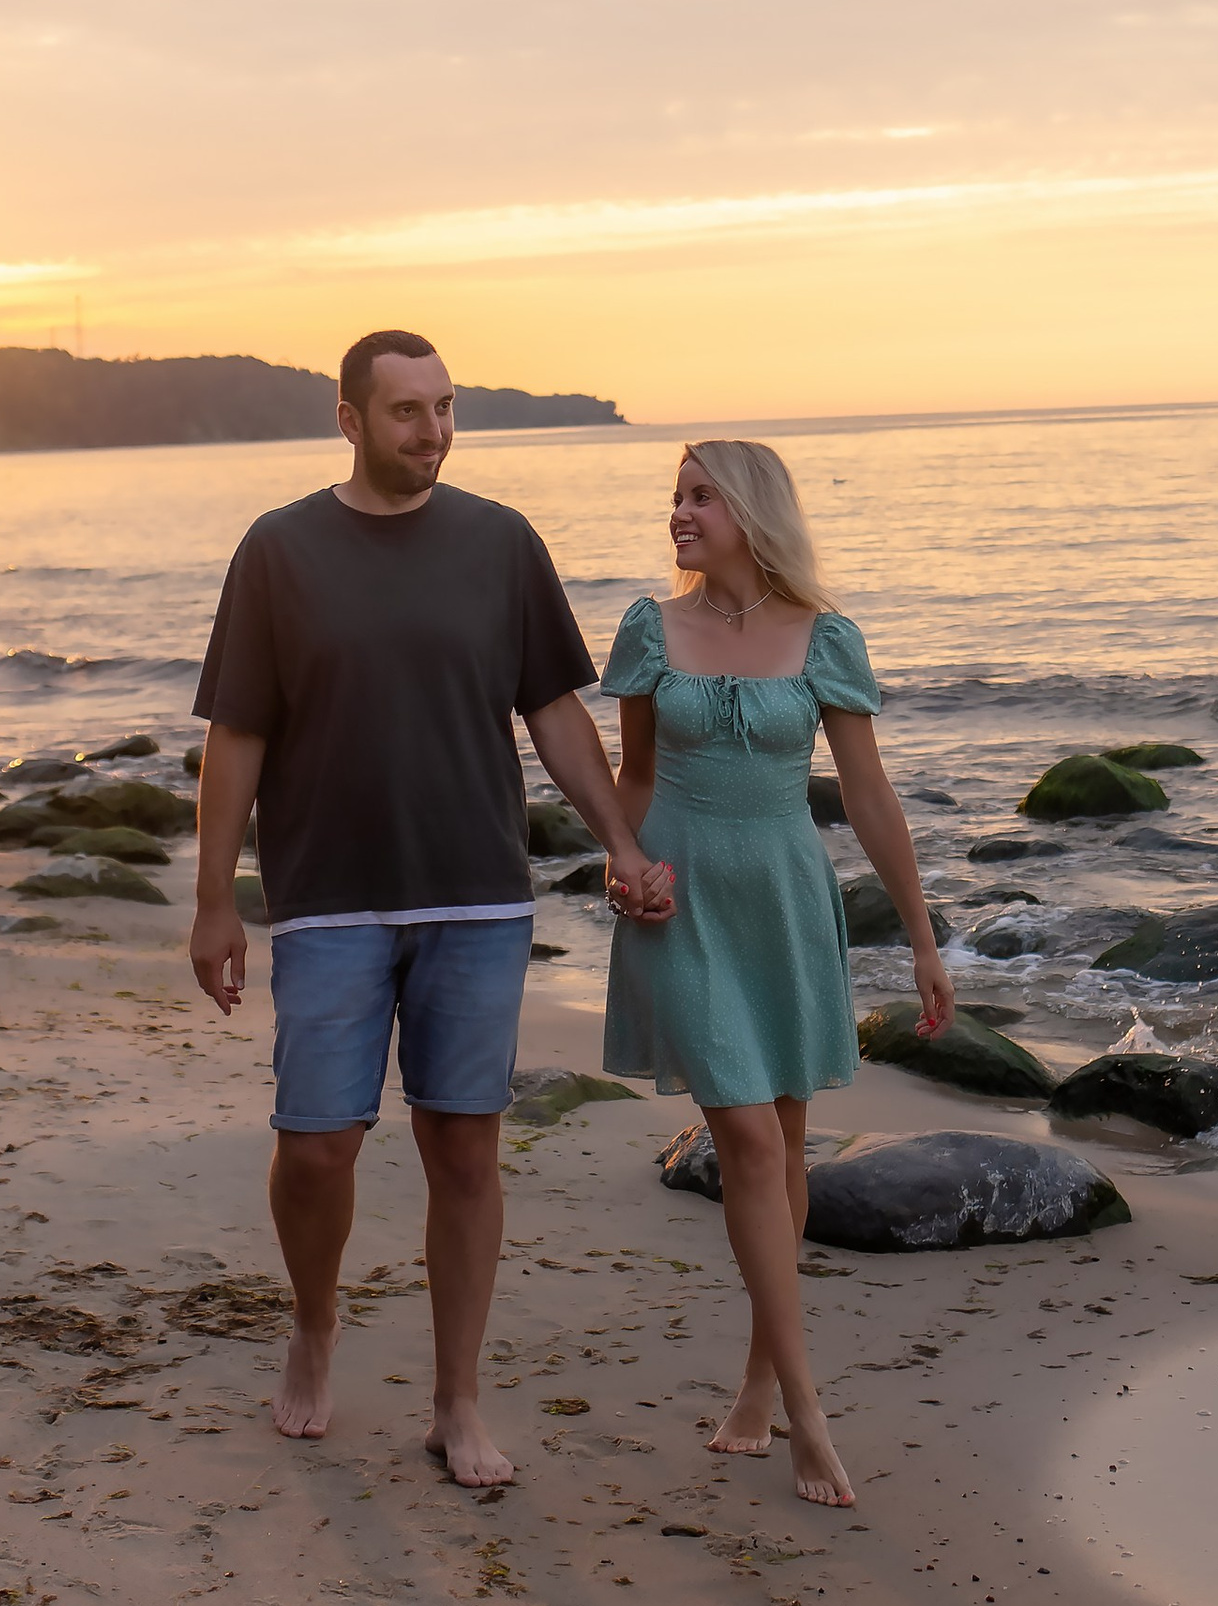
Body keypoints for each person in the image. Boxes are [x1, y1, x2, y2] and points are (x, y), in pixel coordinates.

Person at [187, 330, 669, 1489]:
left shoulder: (500, 543)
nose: (433, 431)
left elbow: (551, 711)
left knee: (463, 1149)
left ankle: (458, 1402)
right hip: (329, 898)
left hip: (475, 895)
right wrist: (215, 902)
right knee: (316, 1148)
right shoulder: (280, 549)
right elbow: (237, 733)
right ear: (349, 420)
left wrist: (619, 842)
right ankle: (314, 1326)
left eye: (446, 408)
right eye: (407, 411)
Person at [602, 438, 951, 1509]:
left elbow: (870, 798)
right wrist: (621, 864)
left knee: (787, 1149)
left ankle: (757, 1381)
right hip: (684, 897)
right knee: (748, 1138)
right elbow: (637, 773)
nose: (679, 513)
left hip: (786, 901)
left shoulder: (826, 637)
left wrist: (923, 938)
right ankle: (809, 1415)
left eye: (700, 495)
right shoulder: (649, 629)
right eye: (674, 496)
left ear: (753, 510)